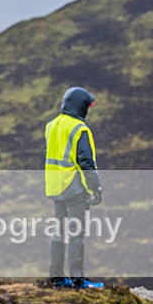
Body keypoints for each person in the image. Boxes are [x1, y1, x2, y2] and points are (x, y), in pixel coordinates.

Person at [44, 87, 105, 289]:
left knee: (58, 232)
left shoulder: (51, 125)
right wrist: (95, 189)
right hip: (74, 189)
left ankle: (57, 278)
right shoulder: (79, 129)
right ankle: (79, 280)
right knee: (76, 233)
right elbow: (86, 163)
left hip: (55, 187)